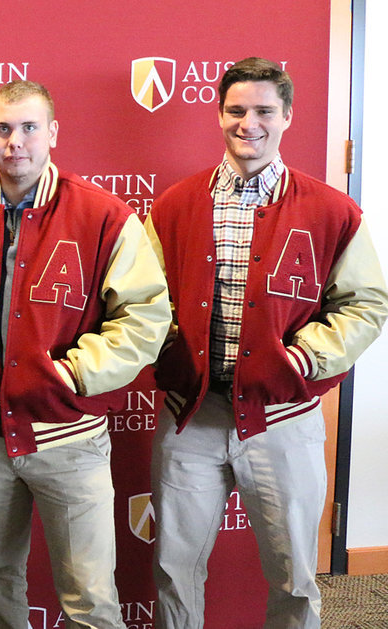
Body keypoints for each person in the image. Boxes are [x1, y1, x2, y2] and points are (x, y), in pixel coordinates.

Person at [146, 57, 388, 629]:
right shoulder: (175, 206)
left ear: (287, 117)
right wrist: (164, 350)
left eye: (262, 111)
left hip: (285, 418)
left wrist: (301, 360)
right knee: (175, 569)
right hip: (191, 416)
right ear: (219, 114)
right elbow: (143, 305)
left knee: (296, 577)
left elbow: (366, 305)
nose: (247, 123)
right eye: (235, 110)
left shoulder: (333, 211)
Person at [0, 79, 170, 628]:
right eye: (4, 128)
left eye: (30, 128)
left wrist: (71, 373)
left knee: (89, 594)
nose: (17, 141)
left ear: (53, 133)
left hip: (70, 438)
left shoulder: (104, 216)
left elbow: (146, 316)